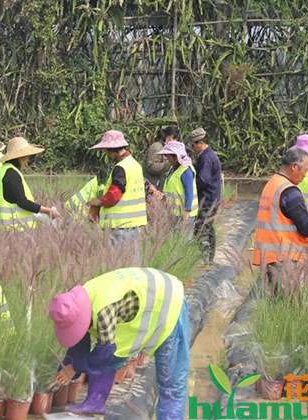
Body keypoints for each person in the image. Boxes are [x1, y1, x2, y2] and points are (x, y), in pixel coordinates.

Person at [48, 267, 189, 419]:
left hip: (171, 304)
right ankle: (95, 402)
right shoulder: (78, 300)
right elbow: (81, 341)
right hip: (147, 300)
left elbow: (105, 353)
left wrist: (75, 367)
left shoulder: (103, 311)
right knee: (110, 354)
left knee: (170, 386)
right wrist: (70, 363)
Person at [252, 148, 308, 290]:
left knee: (276, 301)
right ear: (294, 167)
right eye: (305, 170)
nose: (305, 175)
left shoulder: (273, 183)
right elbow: (305, 227)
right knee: (287, 301)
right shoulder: (289, 191)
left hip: (270, 256)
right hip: (285, 258)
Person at [86, 130, 147, 258]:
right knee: (132, 266)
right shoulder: (135, 165)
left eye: (106, 150)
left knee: (120, 268)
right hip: (135, 225)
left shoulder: (121, 168)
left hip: (120, 227)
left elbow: (114, 195)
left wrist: (97, 202)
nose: (106, 154)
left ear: (112, 149)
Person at [0, 137, 59, 231]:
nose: (28, 160)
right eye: (27, 156)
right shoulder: (12, 173)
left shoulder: (5, 170)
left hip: (4, 228)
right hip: (14, 229)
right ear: (21, 157)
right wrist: (48, 211)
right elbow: (23, 202)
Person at [190, 127, 222, 265]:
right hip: (212, 198)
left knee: (201, 228)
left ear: (199, 143)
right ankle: (209, 258)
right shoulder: (208, 155)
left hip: (207, 199)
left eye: (193, 145)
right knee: (207, 227)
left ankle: (206, 259)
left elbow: (203, 180)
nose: (192, 148)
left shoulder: (206, 158)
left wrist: (191, 187)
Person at [155, 141, 198, 227]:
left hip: (184, 215)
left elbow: (189, 194)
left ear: (175, 156)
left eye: (168, 155)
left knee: (184, 239)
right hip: (173, 213)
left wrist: (186, 213)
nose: (166, 158)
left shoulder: (186, 171)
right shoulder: (173, 168)